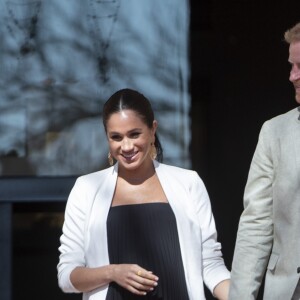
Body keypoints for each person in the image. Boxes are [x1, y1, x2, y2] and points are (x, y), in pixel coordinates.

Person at [57, 88, 230, 300]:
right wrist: (113, 272)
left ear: (152, 130)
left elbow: (210, 263)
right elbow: (67, 276)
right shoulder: (87, 189)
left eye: (134, 134)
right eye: (116, 137)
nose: (127, 146)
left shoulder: (188, 183)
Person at [229, 22, 300, 300]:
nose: (292, 76)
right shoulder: (275, 132)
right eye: (291, 65)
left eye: (299, 66)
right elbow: (256, 225)